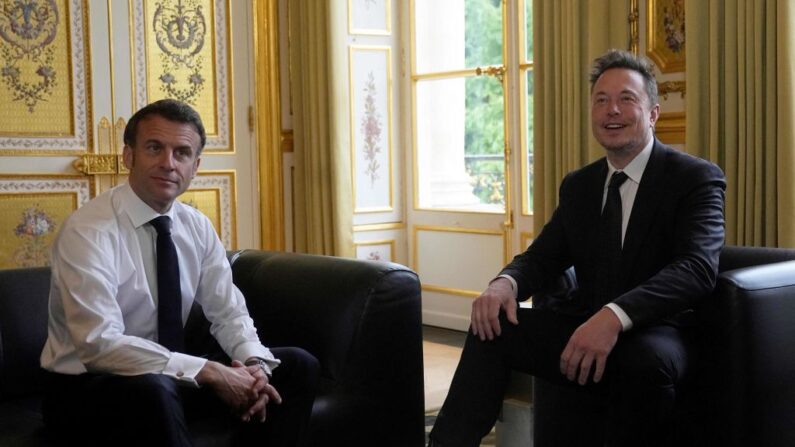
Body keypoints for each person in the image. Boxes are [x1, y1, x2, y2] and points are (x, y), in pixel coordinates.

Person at [428, 49, 726, 447]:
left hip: (657, 329)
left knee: (642, 363)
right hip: (584, 323)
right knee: (492, 328)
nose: (611, 111)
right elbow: (543, 256)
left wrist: (615, 316)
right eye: (601, 100)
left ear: (652, 113)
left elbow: (696, 269)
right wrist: (505, 284)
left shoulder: (694, 178)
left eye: (626, 99)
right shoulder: (580, 186)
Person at [40, 99, 319, 446]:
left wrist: (255, 366)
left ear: (195, 165)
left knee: (295, 366)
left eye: (182, 153)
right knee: (154, 389)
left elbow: (228, 312)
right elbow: (100, 345)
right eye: (154, 148)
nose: (168, 164)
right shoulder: (88, 230)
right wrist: (209, 371)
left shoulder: (196, 226)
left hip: (166, 376)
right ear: (129, 156)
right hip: (87, 387)